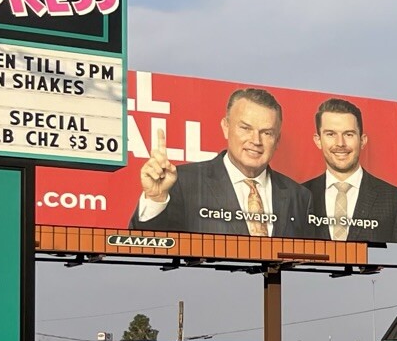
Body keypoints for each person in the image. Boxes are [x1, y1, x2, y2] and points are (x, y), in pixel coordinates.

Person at [131, 87, 308, 238]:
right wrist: (156, 199)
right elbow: (147, 249)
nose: (256, 140)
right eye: (245, 128)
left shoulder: (300, 196)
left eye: (267, 133)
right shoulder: (183, 182)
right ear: (226, 127)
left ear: (277, 140)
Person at [303, 97, 397, 245]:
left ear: (362, 140)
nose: (340, 143)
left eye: (349, 134)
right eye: (331, 134)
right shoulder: (298, 197)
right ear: (318, 140)